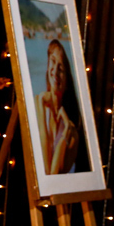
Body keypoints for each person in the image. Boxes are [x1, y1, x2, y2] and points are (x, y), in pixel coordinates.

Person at [36, 38, 87, 174]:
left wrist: (65, 133)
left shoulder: (72, 134)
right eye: (52, 61)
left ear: (67, 82)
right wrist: (40, 103)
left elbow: (49, 173)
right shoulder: (38, 102)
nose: (55, 71)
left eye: (61, 68)